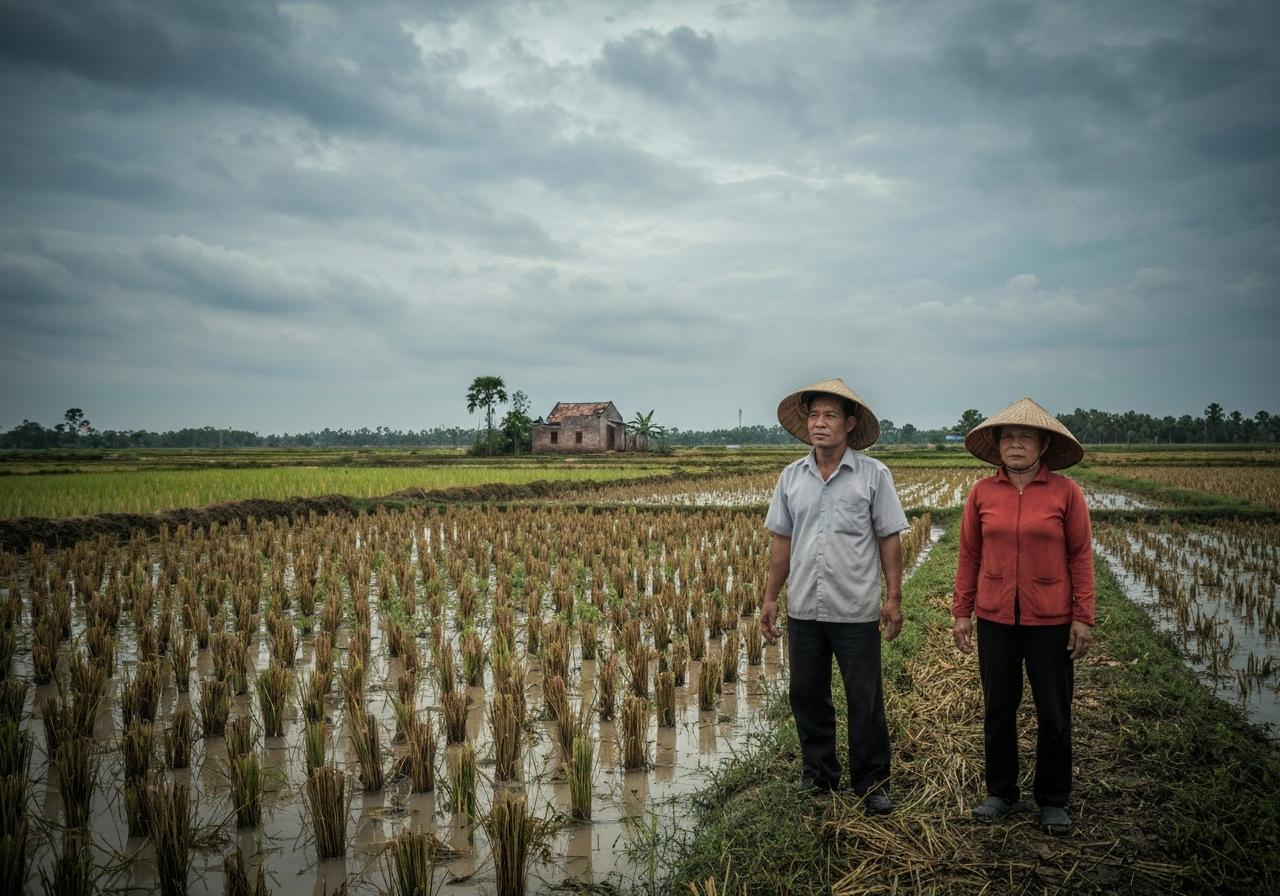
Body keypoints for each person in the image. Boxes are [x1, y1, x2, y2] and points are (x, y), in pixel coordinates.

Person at [760, 378, 908, 814]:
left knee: (864, 699)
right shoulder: (792, 477)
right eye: (813, 415)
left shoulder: (873, 475)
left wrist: (893, 597)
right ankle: (819, 774)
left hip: (856, 608)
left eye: (829, 415)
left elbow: (889, 539)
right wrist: (770, 598)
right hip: (804, 606)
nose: (819, 424)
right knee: (806, 695)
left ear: (850, 423)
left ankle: (872, 782)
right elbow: (781, 544)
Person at [951, 397, 1094, 835]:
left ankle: (1053, 799)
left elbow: (1080, 556)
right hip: (995, 618)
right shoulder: (982, 492)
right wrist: (962, 612)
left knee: (1054, 711)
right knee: (998, 707)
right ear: (996, 445)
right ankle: (1001, 792)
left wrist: (1082, 615)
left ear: (1043, 445)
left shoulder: (1065, 493)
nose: (1015, 445)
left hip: (1050, 621)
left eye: (1025, 437)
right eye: (1008, 437)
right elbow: (969, 555)